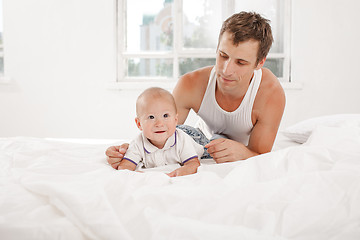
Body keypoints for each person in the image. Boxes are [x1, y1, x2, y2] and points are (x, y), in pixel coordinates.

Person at [106, 11, 285, 169]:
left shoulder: (270, 94)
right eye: (223, 56)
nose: (226, 70)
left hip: (242, 148)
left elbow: (261, 155)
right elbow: (162, 132)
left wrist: (244, 153)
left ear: (260, 63)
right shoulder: (191, 84)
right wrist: (128, 153)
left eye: (240, 62)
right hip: (200, 143)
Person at [116, 87, 204, 177]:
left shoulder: (182, 139)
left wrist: (180, 172)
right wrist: (138, 175)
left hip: (197, 138)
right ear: (139, 124)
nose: (159, 124)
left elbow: (193, 163)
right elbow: (125, 166)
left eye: (165, 115)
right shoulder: (138, 142)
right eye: (151, 117)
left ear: (175, 119)